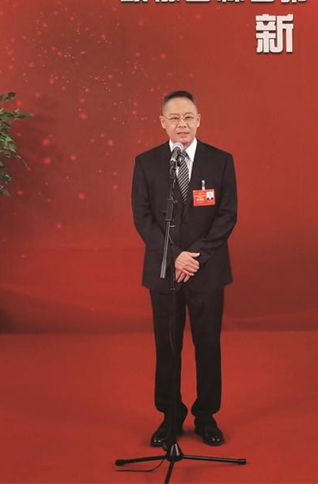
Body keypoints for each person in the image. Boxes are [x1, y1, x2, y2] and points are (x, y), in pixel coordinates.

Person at [131, 90, 238, 447]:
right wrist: (175, 255)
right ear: (162, 122)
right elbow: (143, 218)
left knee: (208, 346)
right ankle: (170, 417)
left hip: (207, 270)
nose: (182, 124)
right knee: (167, 347)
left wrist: (196, 258)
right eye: (174, 118)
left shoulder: (220, 161)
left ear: (199, 120)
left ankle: (206, 417)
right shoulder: (146, 163)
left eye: (188, 117)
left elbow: (227, 215)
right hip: (164, 270)